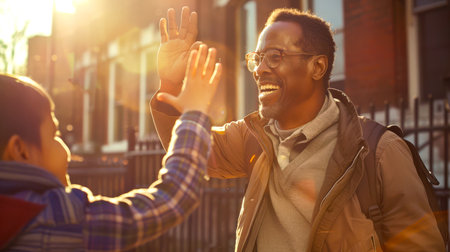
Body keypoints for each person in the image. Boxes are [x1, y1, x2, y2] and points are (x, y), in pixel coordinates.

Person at [151, 6, 446, 252]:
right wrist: (171, 85)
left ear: (317, 67)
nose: (260, 69)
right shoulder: (252, 136)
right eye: (258, 58)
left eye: (275, 57)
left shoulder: (379, 152)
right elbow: (190, 150)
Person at [0, 44, 222, 251]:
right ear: (20, 150)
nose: (65, 148)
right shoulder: (58, 217)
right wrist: (194, 113)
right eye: (55, 135)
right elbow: (173, 198)